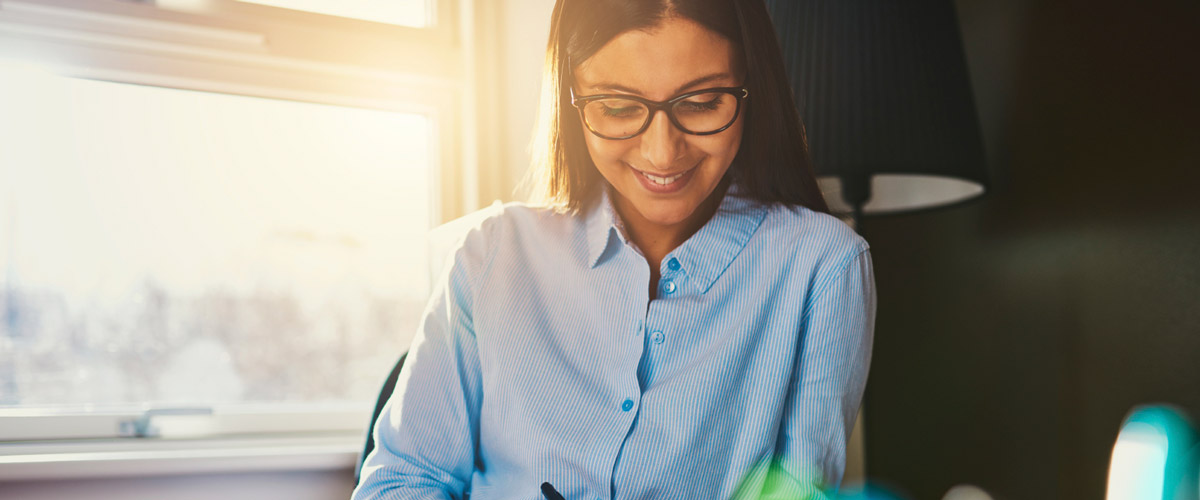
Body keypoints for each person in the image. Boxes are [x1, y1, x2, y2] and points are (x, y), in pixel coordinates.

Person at [352, 0, 875, 499]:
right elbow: (402, 480)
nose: (662, 152)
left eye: (700, 102)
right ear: (572, 98)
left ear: (751, 91)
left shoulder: (824, 268)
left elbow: (801, 493)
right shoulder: (490, 255)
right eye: (620, 107)